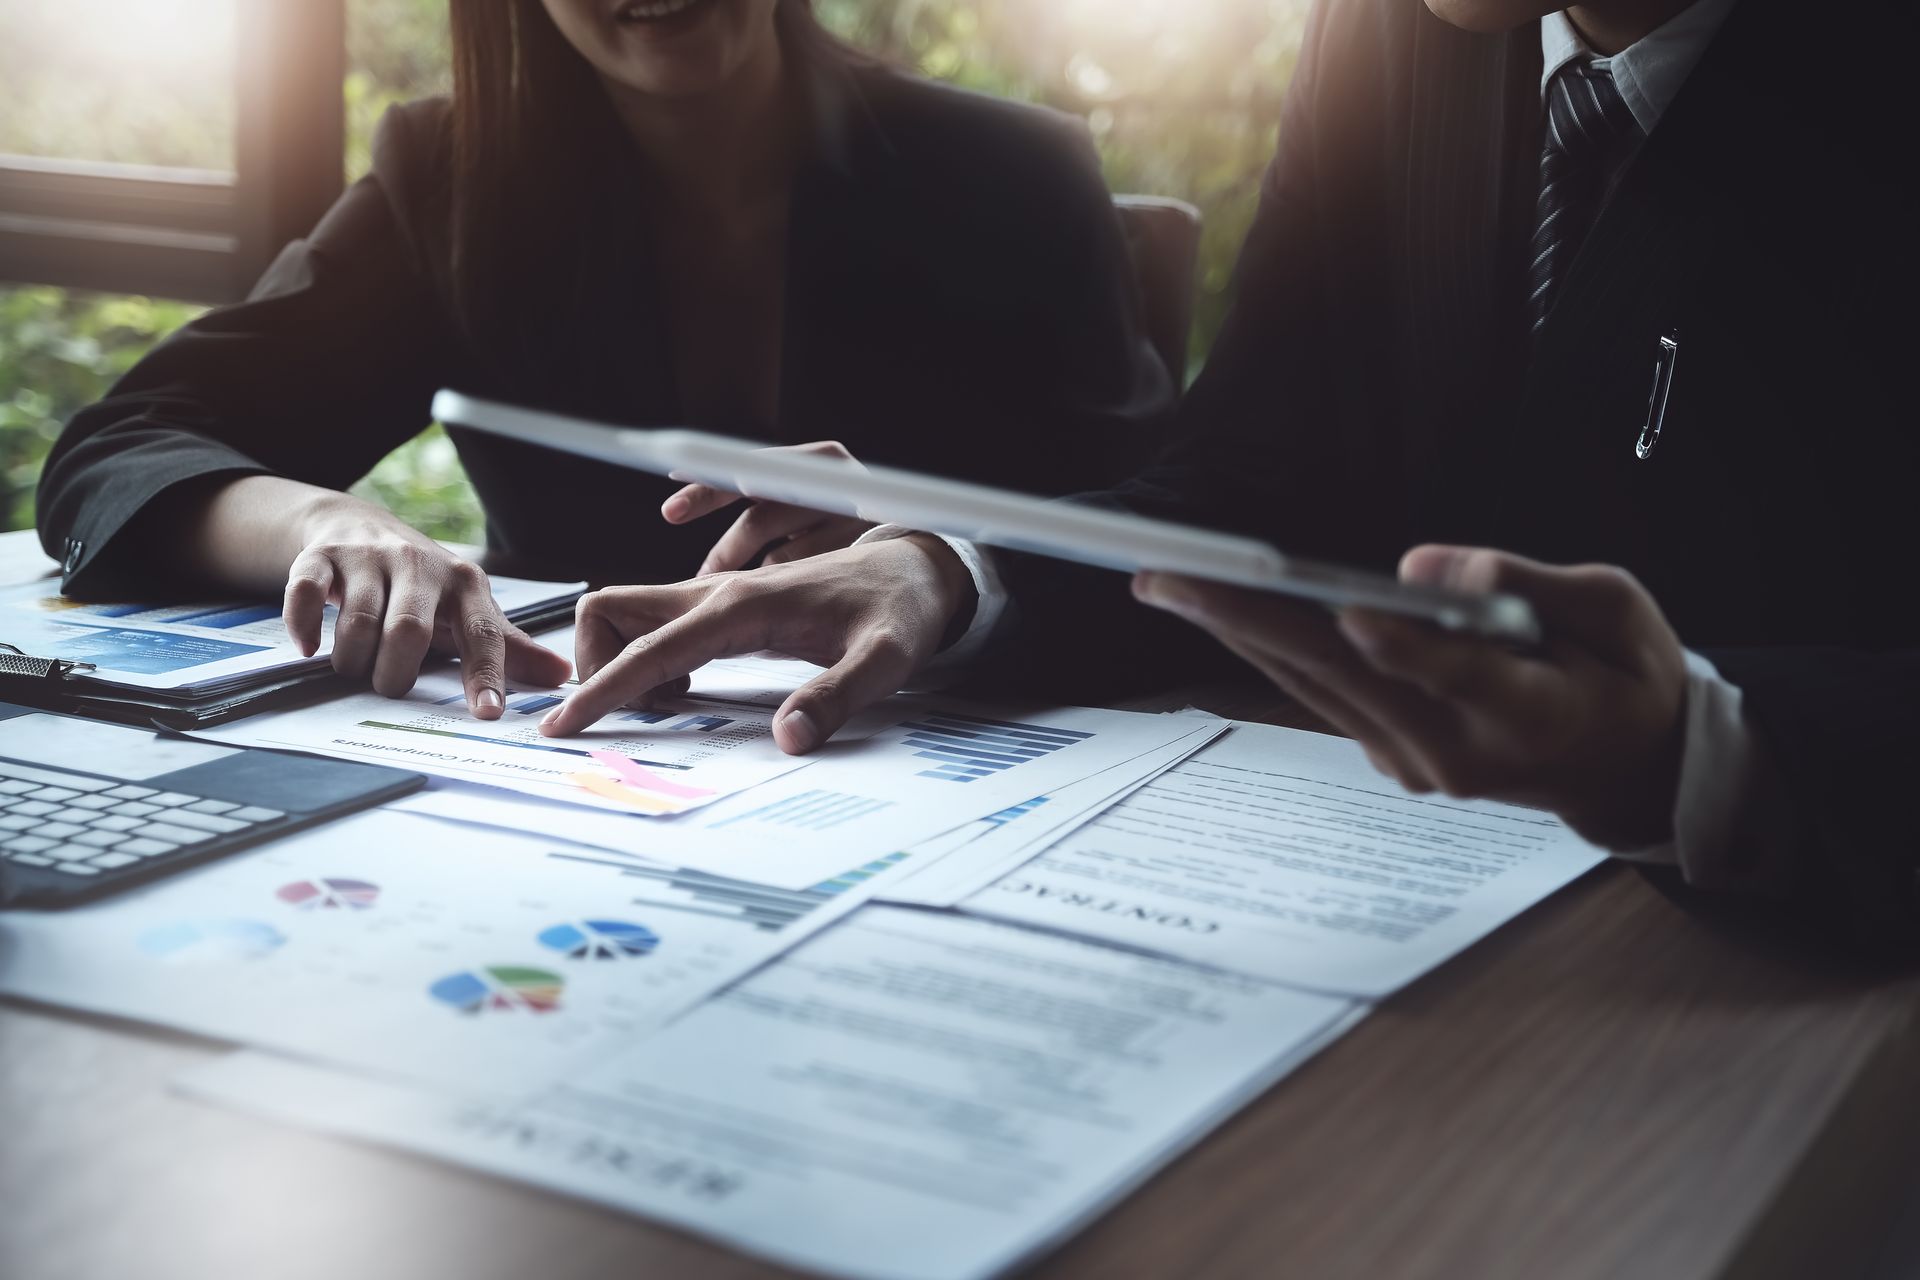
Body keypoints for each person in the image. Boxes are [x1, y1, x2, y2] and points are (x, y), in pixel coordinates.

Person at [537, 0, 1920, 941]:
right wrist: (944, 567)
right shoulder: (1407, 36)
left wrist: (1695, 753)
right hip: (1415, 943)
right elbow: (1260, 470)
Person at [35, 0, 1171, 718]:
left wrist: (941, 558)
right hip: (555, 773)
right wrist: (324, 526)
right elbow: (119, 450)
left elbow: (1175, 546)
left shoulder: (1010, 177)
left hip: (924, 772)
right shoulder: (451, 178)